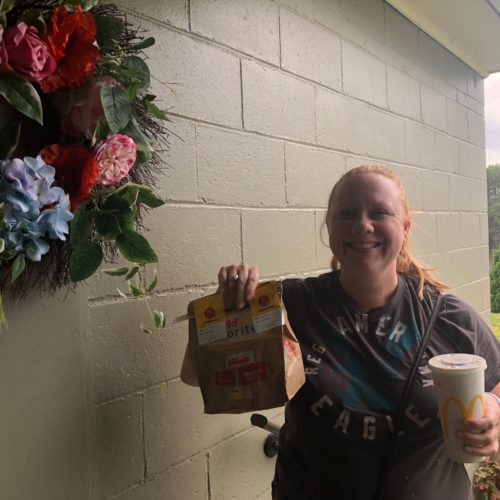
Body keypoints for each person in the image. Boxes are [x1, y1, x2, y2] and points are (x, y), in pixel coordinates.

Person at [182, 165, 500, 500]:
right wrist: (227, 311)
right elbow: (195, 376)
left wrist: (493, 408)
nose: (362, 225)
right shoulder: (290, 306)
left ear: (404, 228)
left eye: (379, 212)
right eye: (346, 214)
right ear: (329, 228)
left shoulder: (448, 317)